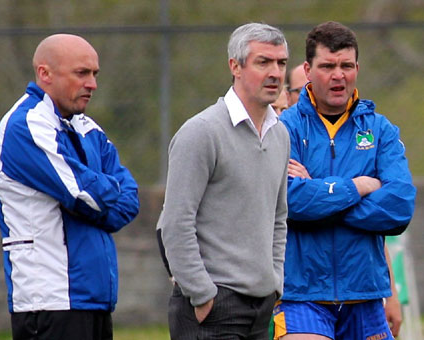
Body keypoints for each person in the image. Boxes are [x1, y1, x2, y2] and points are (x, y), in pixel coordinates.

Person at [0, 34, 139, 340]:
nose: (92, 83)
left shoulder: (86, 127)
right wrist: (101, 192)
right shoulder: (26, 125)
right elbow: (82, 193)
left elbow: (129, 201)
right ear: (45, 74)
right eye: (81, 73)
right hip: (50, 302)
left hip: (94, 297)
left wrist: (96, 194)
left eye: (94, 74)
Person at [273, 21, 416, 340]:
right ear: (308, 70)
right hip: (302, 296)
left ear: (357, 68)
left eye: (346, 66)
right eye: (328, 66)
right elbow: (290, 200)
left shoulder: (381, 131)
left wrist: (320, 193)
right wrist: (358, 187)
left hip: (366, 296)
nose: (338, 75)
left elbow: (399, 206)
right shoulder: (284, 128)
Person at [157, 23, 290, 340]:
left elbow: (278, 217)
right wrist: (202, 295)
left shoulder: (280, 135)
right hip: (212, 309)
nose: (275, 72)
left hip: (261, 309)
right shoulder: (201, 132)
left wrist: (275, 282)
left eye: (281, 63)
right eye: (263, 62)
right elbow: (175, 223)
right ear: (235, 66)